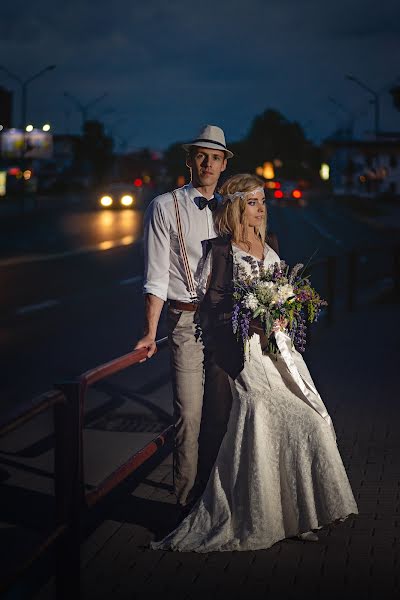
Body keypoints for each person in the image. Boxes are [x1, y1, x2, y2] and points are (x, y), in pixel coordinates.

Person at [151, 173, 358, 552]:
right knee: (263, 409)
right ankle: (256, 515)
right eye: (253, 202)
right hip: (245, 355)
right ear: (236, 208)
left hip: (279, 351)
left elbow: (285, 295)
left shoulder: (271, 248)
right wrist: (249, 319)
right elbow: (210, 308)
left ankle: (299, 515)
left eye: (263, 202)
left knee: (311, 418)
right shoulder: (220, 252)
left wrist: (286, 313)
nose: (261, 209)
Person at [135, 125, 234, 511]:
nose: (208, 163)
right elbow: (156, 276)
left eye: (216, 157)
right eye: (201, 155)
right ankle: (184, 504)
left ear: (224, 165)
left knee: (225, 414)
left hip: (228, 325)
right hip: (186, 322)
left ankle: (220, 499)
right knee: (189, 416)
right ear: (190, 160)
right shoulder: (164, 206)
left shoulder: (231, 207)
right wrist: (148, 332)